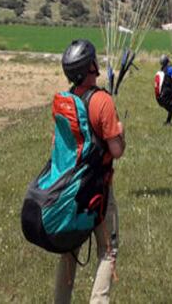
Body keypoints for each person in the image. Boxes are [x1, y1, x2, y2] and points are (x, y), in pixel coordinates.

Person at [55, 39, 125, 304]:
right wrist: (121, 131)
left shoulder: (67, 101)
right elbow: (116, 150)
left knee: (68, 250)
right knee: (108, 250)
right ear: (91, 66)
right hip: (98, 191)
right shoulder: (102, 101)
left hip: (70, 189)